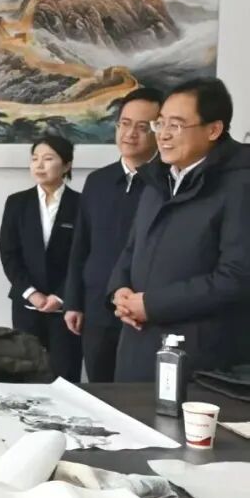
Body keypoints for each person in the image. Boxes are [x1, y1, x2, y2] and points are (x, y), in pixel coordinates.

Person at [108, 77, 250, 381]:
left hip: (199, 359)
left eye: (176, 125)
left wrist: (152, 305)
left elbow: (236, 277)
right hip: (136, 347)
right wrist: (119, 291)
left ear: (213, 130)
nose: (163, 135)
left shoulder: (240, 185)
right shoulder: (158, 179)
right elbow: (132, 248)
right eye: (160, 123)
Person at [64, 88, 160, 382]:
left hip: (143, 311)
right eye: (125, 124)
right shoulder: (98, 181)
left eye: (143, 127)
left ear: (159, 130)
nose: (130, 134)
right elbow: (80, 246)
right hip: (97, 308)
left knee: (139, 395)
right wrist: (73, 302)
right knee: (100, 389)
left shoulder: (167, 182)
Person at [0, 134, 82, 381]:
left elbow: (83, 256)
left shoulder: (81, 203)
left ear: (66, 165)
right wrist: (31, 293)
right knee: (26, 374)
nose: (39, 165)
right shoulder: (17, 203)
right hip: (27, 305)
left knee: (65, 376)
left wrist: (60, 296)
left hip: (66, 308)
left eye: (48, 159)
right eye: (35, 159)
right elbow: (9, 253)